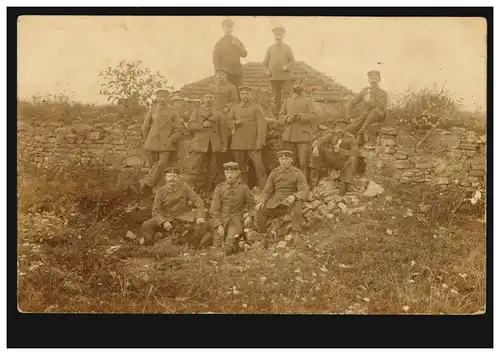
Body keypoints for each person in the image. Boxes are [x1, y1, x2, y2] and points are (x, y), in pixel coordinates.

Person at [141, 167, 208, 247]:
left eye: (174, 176)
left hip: (183, 217)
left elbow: (197, 200)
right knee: (146, 225)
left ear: (178, 178)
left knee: (203, 225)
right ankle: (149, 247)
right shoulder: (160, 192)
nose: (172, 179)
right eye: (169, 176)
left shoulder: (185, 188)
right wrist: (164, 221)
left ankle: (192, 246)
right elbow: (156, 211)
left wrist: (200, 216)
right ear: (165, 178)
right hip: (168, 218)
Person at [255, 150, 309, 247]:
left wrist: (294, 196)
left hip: (290, 201)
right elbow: (267, 190)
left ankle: (296, 233)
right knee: (261, 213)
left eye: (286, 159)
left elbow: (304, 191)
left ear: (291, 160)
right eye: (282, 159)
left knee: (297, 209)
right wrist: (261, 201)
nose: (284, 161)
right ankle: (263, 238)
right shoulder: (274, 173)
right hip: (276, 202)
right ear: (279, 160)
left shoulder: (297, 173)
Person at [139, 89, 183, 194]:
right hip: (152, 141)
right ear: (156, 98)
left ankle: (146, 181)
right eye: (159, 97)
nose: (162, 99)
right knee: (153, 165)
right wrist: (146, 139)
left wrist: (172, 139)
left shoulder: (173, 111)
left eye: (164, 97)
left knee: (162, 164)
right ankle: (156, 188)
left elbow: (179, 129)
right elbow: (145, 126)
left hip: (166, 142)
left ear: (168, 98)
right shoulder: (152, 111)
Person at [227, 85, 268, 191]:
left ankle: (265, 190)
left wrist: (260, 141)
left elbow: (262, 125)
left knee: (259, 167)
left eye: (247, 94)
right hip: (238, 142)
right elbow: (228, 122)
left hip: (253, 142)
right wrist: (234, 123)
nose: (245, 96)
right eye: (242, 94)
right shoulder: (235, 108)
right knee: (240, 167)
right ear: (240, 95)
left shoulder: (256, 107)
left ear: (251, 95)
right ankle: (241, 190)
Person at [209, 162, 256, 254]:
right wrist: (218, 225)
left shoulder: (243, 187)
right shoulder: (219, 188)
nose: (229, 175)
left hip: (236, 220)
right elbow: (215, 209)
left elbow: (252, 204)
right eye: (227, 173)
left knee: (229, 244)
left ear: (237, 173)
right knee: (216, 246)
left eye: (232, 173)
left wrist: (250, 216)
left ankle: (230, 249)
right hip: (222, 220)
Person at [187, 91, 229, 192]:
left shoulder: (218, 113)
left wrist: (224, 144)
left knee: (212, 169)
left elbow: (223, 130)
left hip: (213, 144)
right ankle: (193, 190)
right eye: (206, 97)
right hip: (199, 144)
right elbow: (190, 125)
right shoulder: (197, 111)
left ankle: (208, 190)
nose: (209, 99)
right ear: (203, 99)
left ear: (214, 99)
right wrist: (201, 126)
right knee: (196, 167)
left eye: (211, 97)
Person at [279, 77, 318, 183]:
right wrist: (287, 118)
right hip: (290, 136)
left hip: (303, 136)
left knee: (303, 162)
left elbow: (314, 116)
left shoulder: (308, 100)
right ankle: (291, 184)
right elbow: (280, 116)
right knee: (290, 162)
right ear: (293, 86)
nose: (297, 85)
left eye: (300, 83)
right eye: (295, 83)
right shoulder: (287, 101)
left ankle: (304, 185)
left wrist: (302, 117)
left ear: (304, 86)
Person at [309, 119, 363, 195]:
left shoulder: (350, 138)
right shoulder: (331, 135)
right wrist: (315, 147)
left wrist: (341, 151)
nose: (339, 130)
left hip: (341, 163)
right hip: (330, 159)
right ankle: (314, 175)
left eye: (342, 128)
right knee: (318, 147)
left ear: (345, 128)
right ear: (334, 128)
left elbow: (356, 153)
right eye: (337, 127)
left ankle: (345, 182)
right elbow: (320, 140)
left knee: (353, 159)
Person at [346, 70, 388, 146]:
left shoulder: (383, 93)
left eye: (375, 78)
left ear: (379, 80)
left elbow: (380, 107)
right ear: (368, 80)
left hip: (378, 115)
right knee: (349, 129)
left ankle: (360, 133)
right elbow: (352, 103)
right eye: (371, 79)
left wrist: (369, 101)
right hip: (365, 115)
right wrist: (350, 117)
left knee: (374, 111)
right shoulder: (365, 91)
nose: (373, 81)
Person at [263, 25, 295, 117]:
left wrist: (287, 67)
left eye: (280, 35)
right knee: (275, 97)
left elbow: (293, 61)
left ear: (283, 36)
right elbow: (264, 63)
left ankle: (287, 115)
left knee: (287, 96)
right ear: (274, 36)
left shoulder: (287, 48)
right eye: (276, 35)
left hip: (285, 77)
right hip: (274, 78)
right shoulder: (270, 48)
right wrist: (267, 71)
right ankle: (276, 116)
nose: (278, 37)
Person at [213, 18, 248, 92]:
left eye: (230, 26)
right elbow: (215, 60)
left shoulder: (236, 40)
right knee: (226, 92)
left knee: (239, 91)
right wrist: (218, 74)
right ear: (223, 28)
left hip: (237, 72)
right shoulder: (220, 43)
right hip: (225, 73)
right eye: (227, 27)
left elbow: (244, 54)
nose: (229, 28)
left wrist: (237, 45)